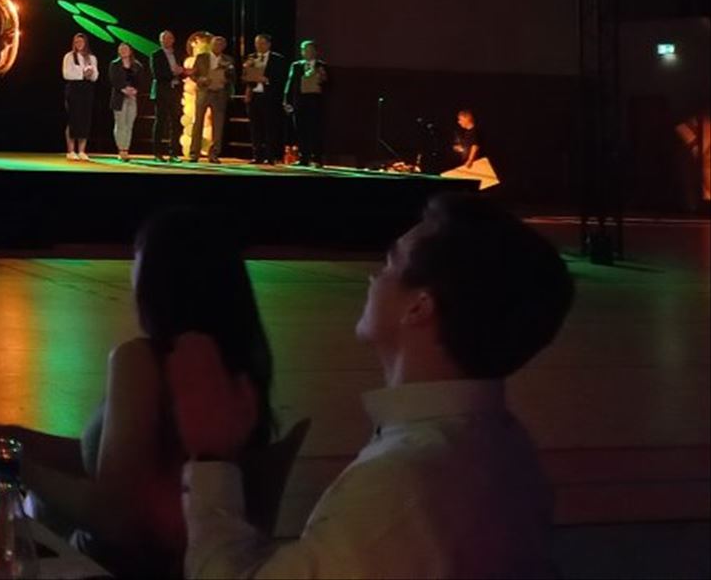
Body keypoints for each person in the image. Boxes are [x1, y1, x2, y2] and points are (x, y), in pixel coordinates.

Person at [170, 193, 574, 578]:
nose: (372, 279)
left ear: (418, 307)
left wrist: (212, 461)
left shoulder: (401, 485)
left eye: (388, 264)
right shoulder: (510, 449)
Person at [0, 211, 277, 577]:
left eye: (136, 258)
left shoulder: (141, 361)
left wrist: (14, 467)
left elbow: (115, 517)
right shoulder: (241, 367)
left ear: (155, 281)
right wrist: (12, 439)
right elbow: (121, 462)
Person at [242, 34, 287, 165]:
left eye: (262, 43)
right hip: (254, 96)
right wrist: (248, 74)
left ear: (268, 44)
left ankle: (271, 156)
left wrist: (267, 80)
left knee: (270, 127)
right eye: (257, 43)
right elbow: (244, 77)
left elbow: (282, 78)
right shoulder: (251, 57)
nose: (259, 46)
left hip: (270, 97)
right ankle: (257, 156)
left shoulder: (277, 59)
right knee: (255, 127)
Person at [285, 40, 331, 167]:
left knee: (315, 130)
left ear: (315, 51)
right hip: (299, 102)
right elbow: (290, 84)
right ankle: (303, 158)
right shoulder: (296, 66)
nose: (306, 52)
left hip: (315, 103)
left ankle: (316, 158)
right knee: (300, 130)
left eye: (309, 50)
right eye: (304, 50)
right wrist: (287, 101)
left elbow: (329, 85)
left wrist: (323, 78)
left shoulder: (322, 66)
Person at [188, 35, 231, 164]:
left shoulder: (228, 60)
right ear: (211, 45)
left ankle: (214, 154)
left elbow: (233, 77)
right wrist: (200, 79)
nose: (217, 46)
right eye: (215, 44)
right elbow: (193, 75)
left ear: (224, 46)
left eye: (220, 44)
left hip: (219, 94)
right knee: (198, 122)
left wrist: (226, 79)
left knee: (218, 125)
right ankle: (194, 153)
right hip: (204, 92)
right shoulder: (201, 57)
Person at [62, 33, 101, 161]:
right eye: (76, 42)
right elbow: (66, 74)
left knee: (85, 119)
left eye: (81, 42)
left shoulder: (92, 58)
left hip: (87, 89)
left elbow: (96, 76)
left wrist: (91, 75)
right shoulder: (69, 56)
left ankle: (82, 151)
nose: (79, 44)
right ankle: (71, 150)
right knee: (73, 119)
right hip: (74, 89)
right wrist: (82, 74)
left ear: (85, 43)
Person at [150, 30, 188, 162]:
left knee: (175, 122)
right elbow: (157, 74)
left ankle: (173, 153)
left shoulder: (178, 54)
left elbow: (183, 72)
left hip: (175, 91)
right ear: (160, 41)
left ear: (173, 40)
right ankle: (157, 153)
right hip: (162, 92)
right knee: (160, 121)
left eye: (169, 38)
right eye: (163, 39)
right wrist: (174, 73)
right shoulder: (156, 55)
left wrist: (182, 72)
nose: (166, 41)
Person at [109, 42, 150, 162]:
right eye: (121, 49)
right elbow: (113, 80)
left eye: (125, 49)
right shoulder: (114, 64)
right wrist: (123, 89)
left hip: (132, 97)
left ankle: (126, 149)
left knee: (129, 124)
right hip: (119, 97)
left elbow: (142, 81)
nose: (123, 51)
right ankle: (121, 149)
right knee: (120, 124)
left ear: (130, 51)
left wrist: (135, 90)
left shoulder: (137, 65)